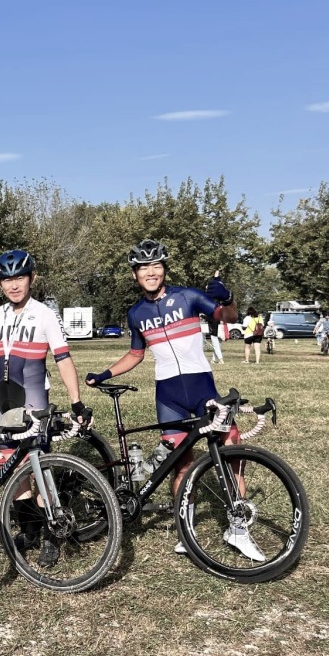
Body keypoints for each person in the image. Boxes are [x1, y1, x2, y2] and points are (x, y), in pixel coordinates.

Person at [84, 239, 264, 562]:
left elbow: (227, 316)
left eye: (156, 266)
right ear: (135, 275)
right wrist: (105, 374)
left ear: (164, 269)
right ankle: (186, 531)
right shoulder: (136, 313)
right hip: (169, 396)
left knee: (232, 445)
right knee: (181, 465)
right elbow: (136, 354)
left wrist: (228, 298)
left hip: (203, 389)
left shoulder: (188, 297)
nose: (150, 272)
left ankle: (238, 530)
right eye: (143, 268)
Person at [0, 249, 89, 567]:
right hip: (4, 401)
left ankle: (51, 536)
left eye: (19, 277)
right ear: (0, 284)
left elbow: (63, 359)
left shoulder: (45, 315)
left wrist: (76, 401)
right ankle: (30, 530)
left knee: (40, 470)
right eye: (7, 280)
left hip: (34, 399)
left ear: (31, 278)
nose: (14, 285)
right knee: (13, 469)